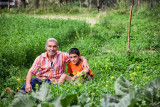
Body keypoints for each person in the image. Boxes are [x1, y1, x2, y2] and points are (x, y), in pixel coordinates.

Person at [21, 38, 90, 92]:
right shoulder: (40, 58)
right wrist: (27, 84)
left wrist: (84, 60)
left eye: (54, 46)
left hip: (56, 82)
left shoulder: (63, 55)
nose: (52, 49)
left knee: (47, 92)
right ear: (46, 47)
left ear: (57, 48)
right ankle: (20, 93)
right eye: (49, 46)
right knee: (32, 82)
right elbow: (31, 72)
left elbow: (76, 56)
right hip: (41, 80)